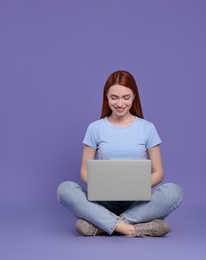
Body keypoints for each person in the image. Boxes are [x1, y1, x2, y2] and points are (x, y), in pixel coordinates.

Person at [57, 70, 182, 237]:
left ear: (134, 97)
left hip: (138, 203)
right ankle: (131, 228)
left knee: (173, 192)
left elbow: (158, 172)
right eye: (114, 97)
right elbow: (84, 171)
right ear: (106, 97)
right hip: (103, 202)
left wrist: (135, 187)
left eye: (126, 97)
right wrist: (104, 187)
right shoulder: (95, 128)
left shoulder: (147, 128)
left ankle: (102, 225)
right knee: (65, 189)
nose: (120, 103)